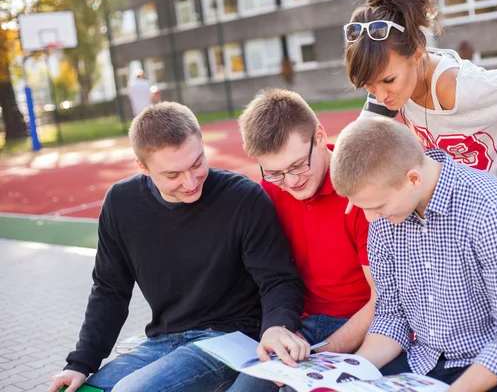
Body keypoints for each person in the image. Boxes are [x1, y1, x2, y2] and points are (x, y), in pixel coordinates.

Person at [342, 0, 497, 378]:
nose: (381, 95)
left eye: (387, 81)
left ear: (418, 56)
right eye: (370, 86)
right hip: (490, 208)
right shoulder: (393, 86)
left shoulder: (456, 86)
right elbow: (364, 136)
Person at [48, 101, 308, 392]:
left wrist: (277, 326)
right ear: (143, 167)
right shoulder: (120, 203)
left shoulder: (243, 199)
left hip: (229, 338)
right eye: (172, 175)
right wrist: (80, 363)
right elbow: (110, 289)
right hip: (163, 339)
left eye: (197, 163)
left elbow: (279, 279)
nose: (190, 182)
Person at [330, 117, 497, 392]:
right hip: (425, 361)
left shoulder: (494, 212)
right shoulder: (384, 217)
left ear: (412, 178)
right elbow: (392, 317)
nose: (370, 219)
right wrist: (348, 375)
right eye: (362, 208)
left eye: (377, 206)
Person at [229, 88, 376, 391]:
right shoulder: (270, 191)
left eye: (298, 165)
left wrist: (325, 351)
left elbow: (384, 299)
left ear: (320, 136)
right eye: (275, 172)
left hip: (362, 326)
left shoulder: (362, 190)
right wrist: (280, 329)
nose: (292, 181)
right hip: (299, 325)